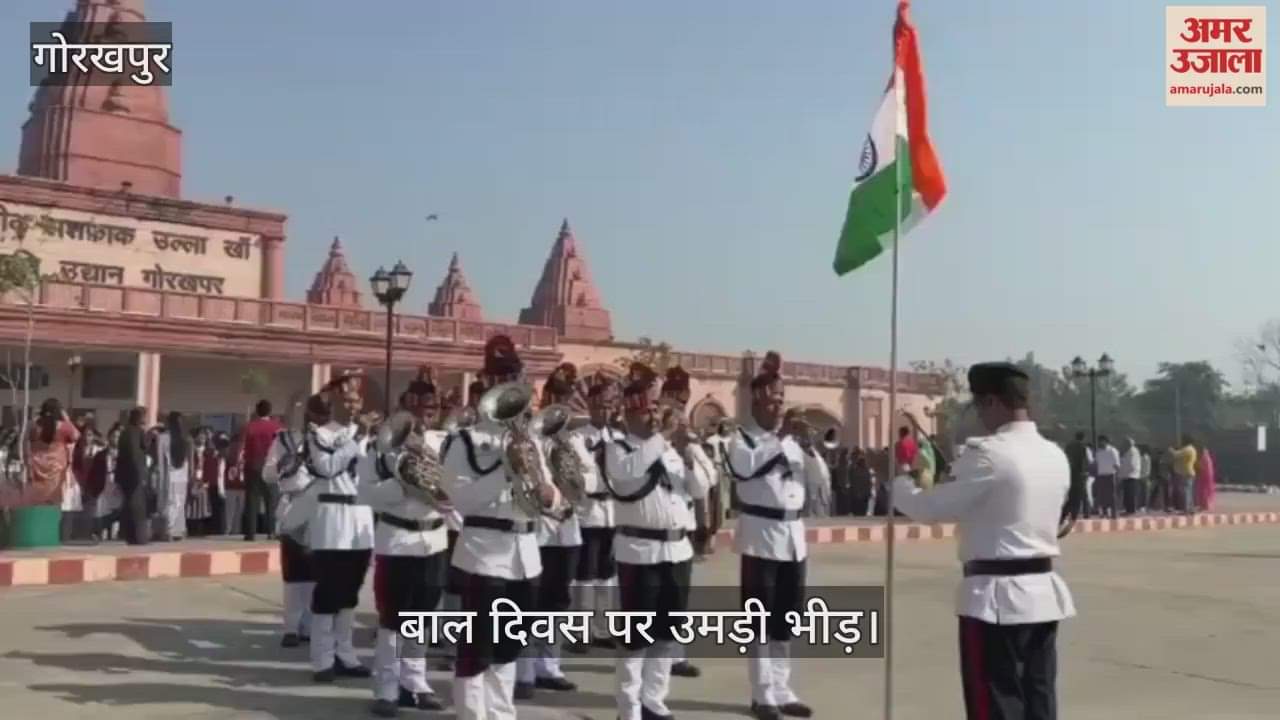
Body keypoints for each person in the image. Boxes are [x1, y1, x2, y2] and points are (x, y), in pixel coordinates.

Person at [893, 362, 1074, 720]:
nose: (979, 416)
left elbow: (929, 508)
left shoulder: (989, 455)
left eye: (979, 406)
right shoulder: (1055, 454)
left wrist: (898, 483)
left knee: (994, 706)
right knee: (1039, 702)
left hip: (995, 601)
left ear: (992, 401)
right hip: (1043, 595)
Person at [439, 335, 557, 720]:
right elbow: (461, 500)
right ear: (488, 383)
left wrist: (550, 494)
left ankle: (502, 714)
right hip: (483, 555)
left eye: (514, 378)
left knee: (509, 649)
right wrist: (506, 471)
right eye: (501, 378)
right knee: (477, 650)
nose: (510, 385)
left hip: (526, 556)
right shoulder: (466, 441)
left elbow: (551, 495)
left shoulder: (530, 439)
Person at [603, 361, 711, 720]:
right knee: (636, 638)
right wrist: (662, 438)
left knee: (667, 633)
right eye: (647, 410)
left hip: (676, 550)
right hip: (639, 552)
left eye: (655, 409)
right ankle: (629, 709)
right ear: (629, 413)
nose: (654, 416)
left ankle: (653, 701)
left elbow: (700, 489)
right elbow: (627, 475)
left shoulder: (668, 449)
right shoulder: (618, 448)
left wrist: (689, 454)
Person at [727, 352, 817, 720]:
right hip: (760, 537)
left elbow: (817, 480)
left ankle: (782, 689)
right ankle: (761, 694)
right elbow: (745, 470)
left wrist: (810, 448)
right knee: (759, 621)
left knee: (786, 620)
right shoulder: (742, 439)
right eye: (772, 401)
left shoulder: (791, 442)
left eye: (781, 400)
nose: (779, 407)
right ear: (756, 404)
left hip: (793, 537)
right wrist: (780, 438)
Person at [361, 371, 449, 716]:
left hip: (434, 538)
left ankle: (415, 683)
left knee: (423, 617)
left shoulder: (445, 443)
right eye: (419, 409)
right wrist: (404, 481)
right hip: (397, 540)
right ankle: (386, 688)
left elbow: (456, 487)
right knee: (392, 619)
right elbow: (366, 494)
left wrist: (430, 467)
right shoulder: (380, 448)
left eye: (432, 408)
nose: (426, 415)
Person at [515, 363, 585, 698]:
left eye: (566, 400)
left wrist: (575, 481)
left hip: (567, 528)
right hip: (541, 527)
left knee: (558, 600)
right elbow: (532, 478)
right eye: (556, 399)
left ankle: (549, 666)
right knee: (532, 600)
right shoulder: (531, 436)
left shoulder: (574, 439)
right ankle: (525, 669)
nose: (562, 406)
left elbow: (592, 478)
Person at [306, 374, 375, 682]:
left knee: (350, 592)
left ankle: (345, 654)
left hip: (361, 517)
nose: (352, 406)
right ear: (334, 402)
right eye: (346, 400)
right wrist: (356, 440)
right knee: (327, 591)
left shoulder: (369, 434)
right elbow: (327, 467)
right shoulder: (320, 434)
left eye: (356, 401)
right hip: (332, 517)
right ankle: (322, 659)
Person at [653, 365, 714, 679]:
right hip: (651, 526)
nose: (677, 408)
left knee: (677, 598)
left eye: (681, 402)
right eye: (672, 401)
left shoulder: (688, 441)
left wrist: (688, 452)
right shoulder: (650, 436)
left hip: (682, 526)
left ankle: (675, 655)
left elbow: (707, 480)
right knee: (649, 601)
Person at [568, 372, 623, 654]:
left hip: (612, 512)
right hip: (588, 513)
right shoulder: (577, 438)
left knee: (607, 575)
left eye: (609, 406)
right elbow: (581, 475)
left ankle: (603, 629)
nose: (605, 411)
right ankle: (581, 632)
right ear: (590, 406)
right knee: (585, 576)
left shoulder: (619, 437)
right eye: (600, 405)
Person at [263, 397, 319, 650]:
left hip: (318, 508)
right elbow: (267, 473)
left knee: (315, 571)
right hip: (293, 505)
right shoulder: (282, 440)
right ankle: (291, 627)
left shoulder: (323, 441)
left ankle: (309, 625)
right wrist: (283, 465)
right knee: (294, 572)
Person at [242, 400, 285, 541]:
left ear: (257, 410)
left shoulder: (250, 427)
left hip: (253, 465)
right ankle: (271, 531)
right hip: (271, 466)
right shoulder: (277, 427)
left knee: (251, 500)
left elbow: (244, 448)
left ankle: (250, 533)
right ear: (270, 411)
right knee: (272, 500)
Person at [154, 411, 190, 541]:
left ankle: (168, 530)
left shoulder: (162, 438)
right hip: (182, 476)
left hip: (169, 474)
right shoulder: (185, 439)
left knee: (169, 502)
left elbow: (160, 460)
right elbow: (187, 462)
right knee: (179, 503)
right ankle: (179, 530)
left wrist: (160, 479)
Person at [116, 408, 150, 545]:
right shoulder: (137, 431)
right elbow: (143, 448)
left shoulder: (125, 432)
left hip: (125, 474)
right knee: (137, 506)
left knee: (129, 505)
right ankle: (139, 537)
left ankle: (129, 536)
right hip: (135, 474)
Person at [186, 428, 214, 537]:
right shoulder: (191, 449)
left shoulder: (207, 450)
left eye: (204, 436)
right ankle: (191, 529)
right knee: (192, 505)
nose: (202, 438)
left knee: (203, 505)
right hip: (193, 479)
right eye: (200, 436)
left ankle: (200, 530)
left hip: (204, 479)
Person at [1062, 432, 1089, 526]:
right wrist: (1084, 472)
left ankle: (1063, 516)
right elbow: (1083, 461)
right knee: (1078, 497)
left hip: (1070, 474)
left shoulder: (1068, 446)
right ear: (1083, 438)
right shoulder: (1082, 447)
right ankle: (1074, 517)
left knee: (1070, 496)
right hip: (1079, 475)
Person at [1093, 436, 1120, 519]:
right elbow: (1096, 463)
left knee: (1112, 495)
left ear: (1106, 441)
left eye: (1102, 441)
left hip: (1111, 475)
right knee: (1102, 495)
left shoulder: (1112, 450)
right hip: (1101, 475)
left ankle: (1114, 513)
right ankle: (1104, 513)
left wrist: (1117, 475)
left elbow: (1116, 464)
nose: (1100, 443)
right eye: (1099, 441)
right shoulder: (1098, 452)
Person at [1172, 436, 1198, 514]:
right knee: (1189, 492)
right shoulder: (1192, 449)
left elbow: (1176, 455)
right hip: (1189, 472)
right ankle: (1191, 509)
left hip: (1186, 472)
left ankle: (1186, 509)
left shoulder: (1187, 449)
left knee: (1186, 492)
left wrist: (1171, 450)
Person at [1119, 437, 1142, 517]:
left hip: (1132, 475)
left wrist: (1122, 459)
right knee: (1127, 494)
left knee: (1131, 494)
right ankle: (1128, 510)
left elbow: (1131, 464)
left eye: (1125, 443)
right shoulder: (1128, 451)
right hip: (1127, 475)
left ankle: (1131, 511)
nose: (1123, 444)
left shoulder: (1133, 451)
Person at [1195, 443, 1216, 513]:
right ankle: (1207, 505)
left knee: (1203, 491)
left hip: (1204, 476)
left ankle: (1204, 505)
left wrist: (1197, 466)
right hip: (1208, 476)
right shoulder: (1208, 458)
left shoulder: (1204, 458)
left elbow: (1201, 467)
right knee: (1208, 490)